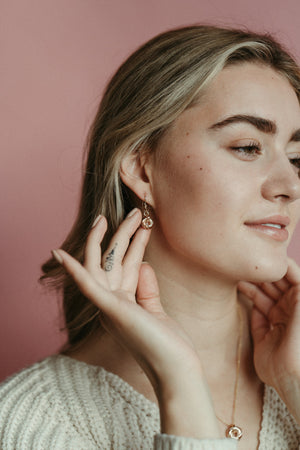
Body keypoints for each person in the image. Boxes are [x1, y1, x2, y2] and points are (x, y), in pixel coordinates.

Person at [1, 24, 300, 450]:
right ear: (142, 170)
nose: (289, 184)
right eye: (248, 147)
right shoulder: (34, 423)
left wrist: (295, 384)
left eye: (296, 157)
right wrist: (179, 382)